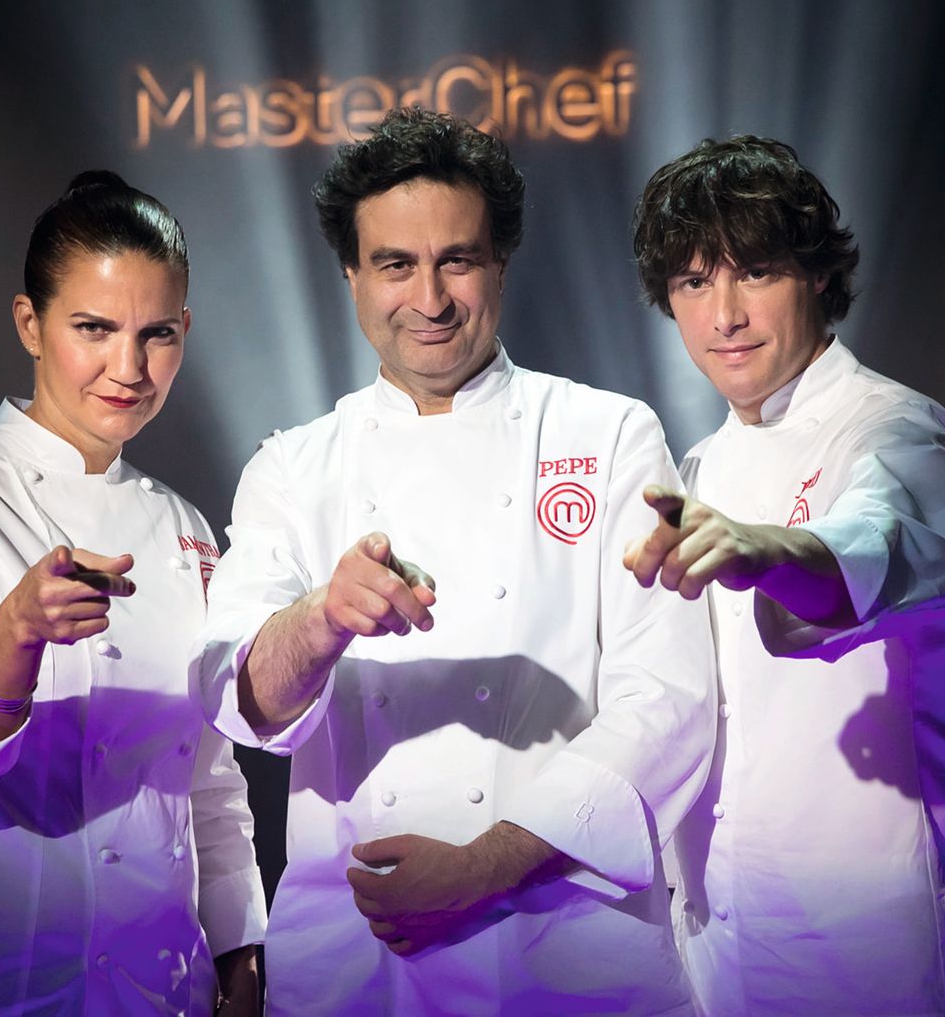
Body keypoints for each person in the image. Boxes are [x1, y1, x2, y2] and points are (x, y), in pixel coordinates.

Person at [193, 107, 716, 1015]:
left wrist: (485, 864)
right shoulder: (293, 467)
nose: (429, 299)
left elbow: (667, 700)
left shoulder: (606, 433)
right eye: (395, 264)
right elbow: (237, 700)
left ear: (500, 266)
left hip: (568, 943)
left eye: (457, 261)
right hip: (360, 951)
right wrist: (321, 619)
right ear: (352, 277)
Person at [0, 172, 267, 1015]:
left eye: (157, 334)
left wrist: (239, 948)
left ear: (186, 330)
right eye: (94, 328)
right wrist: (14, 632)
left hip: (161, 984)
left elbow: (208, 774)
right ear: (30, 325)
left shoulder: (187, 527)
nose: (129, 367)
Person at [624, 135, 945, 1015]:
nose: (723, 314)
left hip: (864, 931)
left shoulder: (895, 432)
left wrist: (763, 550)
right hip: (711, 925)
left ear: (816, 278)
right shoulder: (697, 466)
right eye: (693, 283)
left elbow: (869, 547)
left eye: (754, 272)